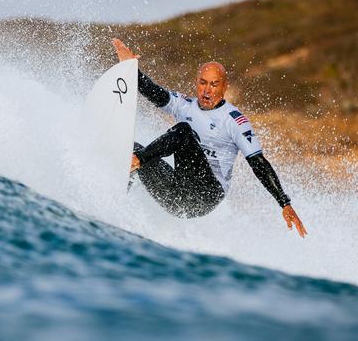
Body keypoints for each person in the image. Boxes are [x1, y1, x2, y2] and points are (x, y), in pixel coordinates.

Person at [112, 38, 307, 238]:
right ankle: (115, 206)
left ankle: (136, 160)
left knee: (182, 132)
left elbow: (259, 163)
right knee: (131, 147)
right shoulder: (184, 105)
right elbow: (155, 93)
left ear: (224, 87)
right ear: (196, 83)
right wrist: (129, 69)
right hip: (174, 194)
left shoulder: (235, 121)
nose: (207, 90)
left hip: (205, 195)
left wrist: (284, 203)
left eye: (214, 85)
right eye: (203, 83)